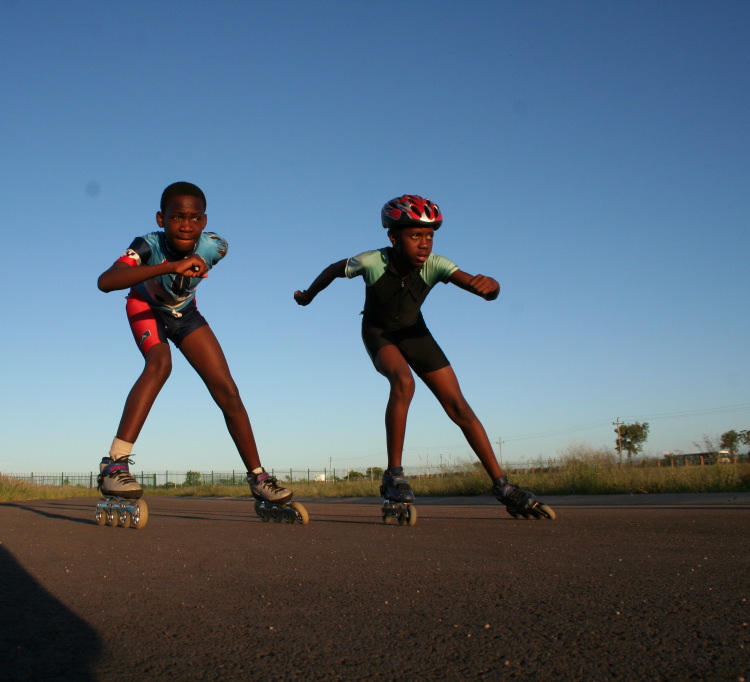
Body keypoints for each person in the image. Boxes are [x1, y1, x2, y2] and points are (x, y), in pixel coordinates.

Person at [293, 194, 554, 519]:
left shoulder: (436, 265)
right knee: (403, 382)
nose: (424, 244)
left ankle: (502, 485)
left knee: (458, 405)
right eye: (415, 235)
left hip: (416, 334)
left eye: (429, 236)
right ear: (393, 237)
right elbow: (334, 270)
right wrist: (307, 295)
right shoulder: (373, 261)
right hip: (379, 334)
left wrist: (493, 286)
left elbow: (479, 287)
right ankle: (394, 475)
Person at [96, 181, 291, 504]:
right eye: (177, 217)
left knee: (227, 389)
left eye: (194, 218)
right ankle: (114, 464)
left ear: (204, 221)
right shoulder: (145, 246)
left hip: (185, 314)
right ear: (161, 219)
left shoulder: (217, 247)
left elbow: (197, 270)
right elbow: (106, 281)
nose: (186, 225)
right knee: (160, 365)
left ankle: (258, 477)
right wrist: (170, 266)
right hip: (145, 307)